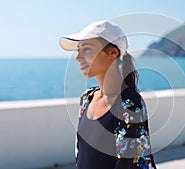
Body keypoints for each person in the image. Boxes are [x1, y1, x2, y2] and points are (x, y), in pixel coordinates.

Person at [59, 20, 157, 169]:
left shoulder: (129, 103)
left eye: (86, 49)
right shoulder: (87, 98)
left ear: (112, 52)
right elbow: (81, 155)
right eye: (78, 49)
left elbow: (129, 164)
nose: (78, 57)